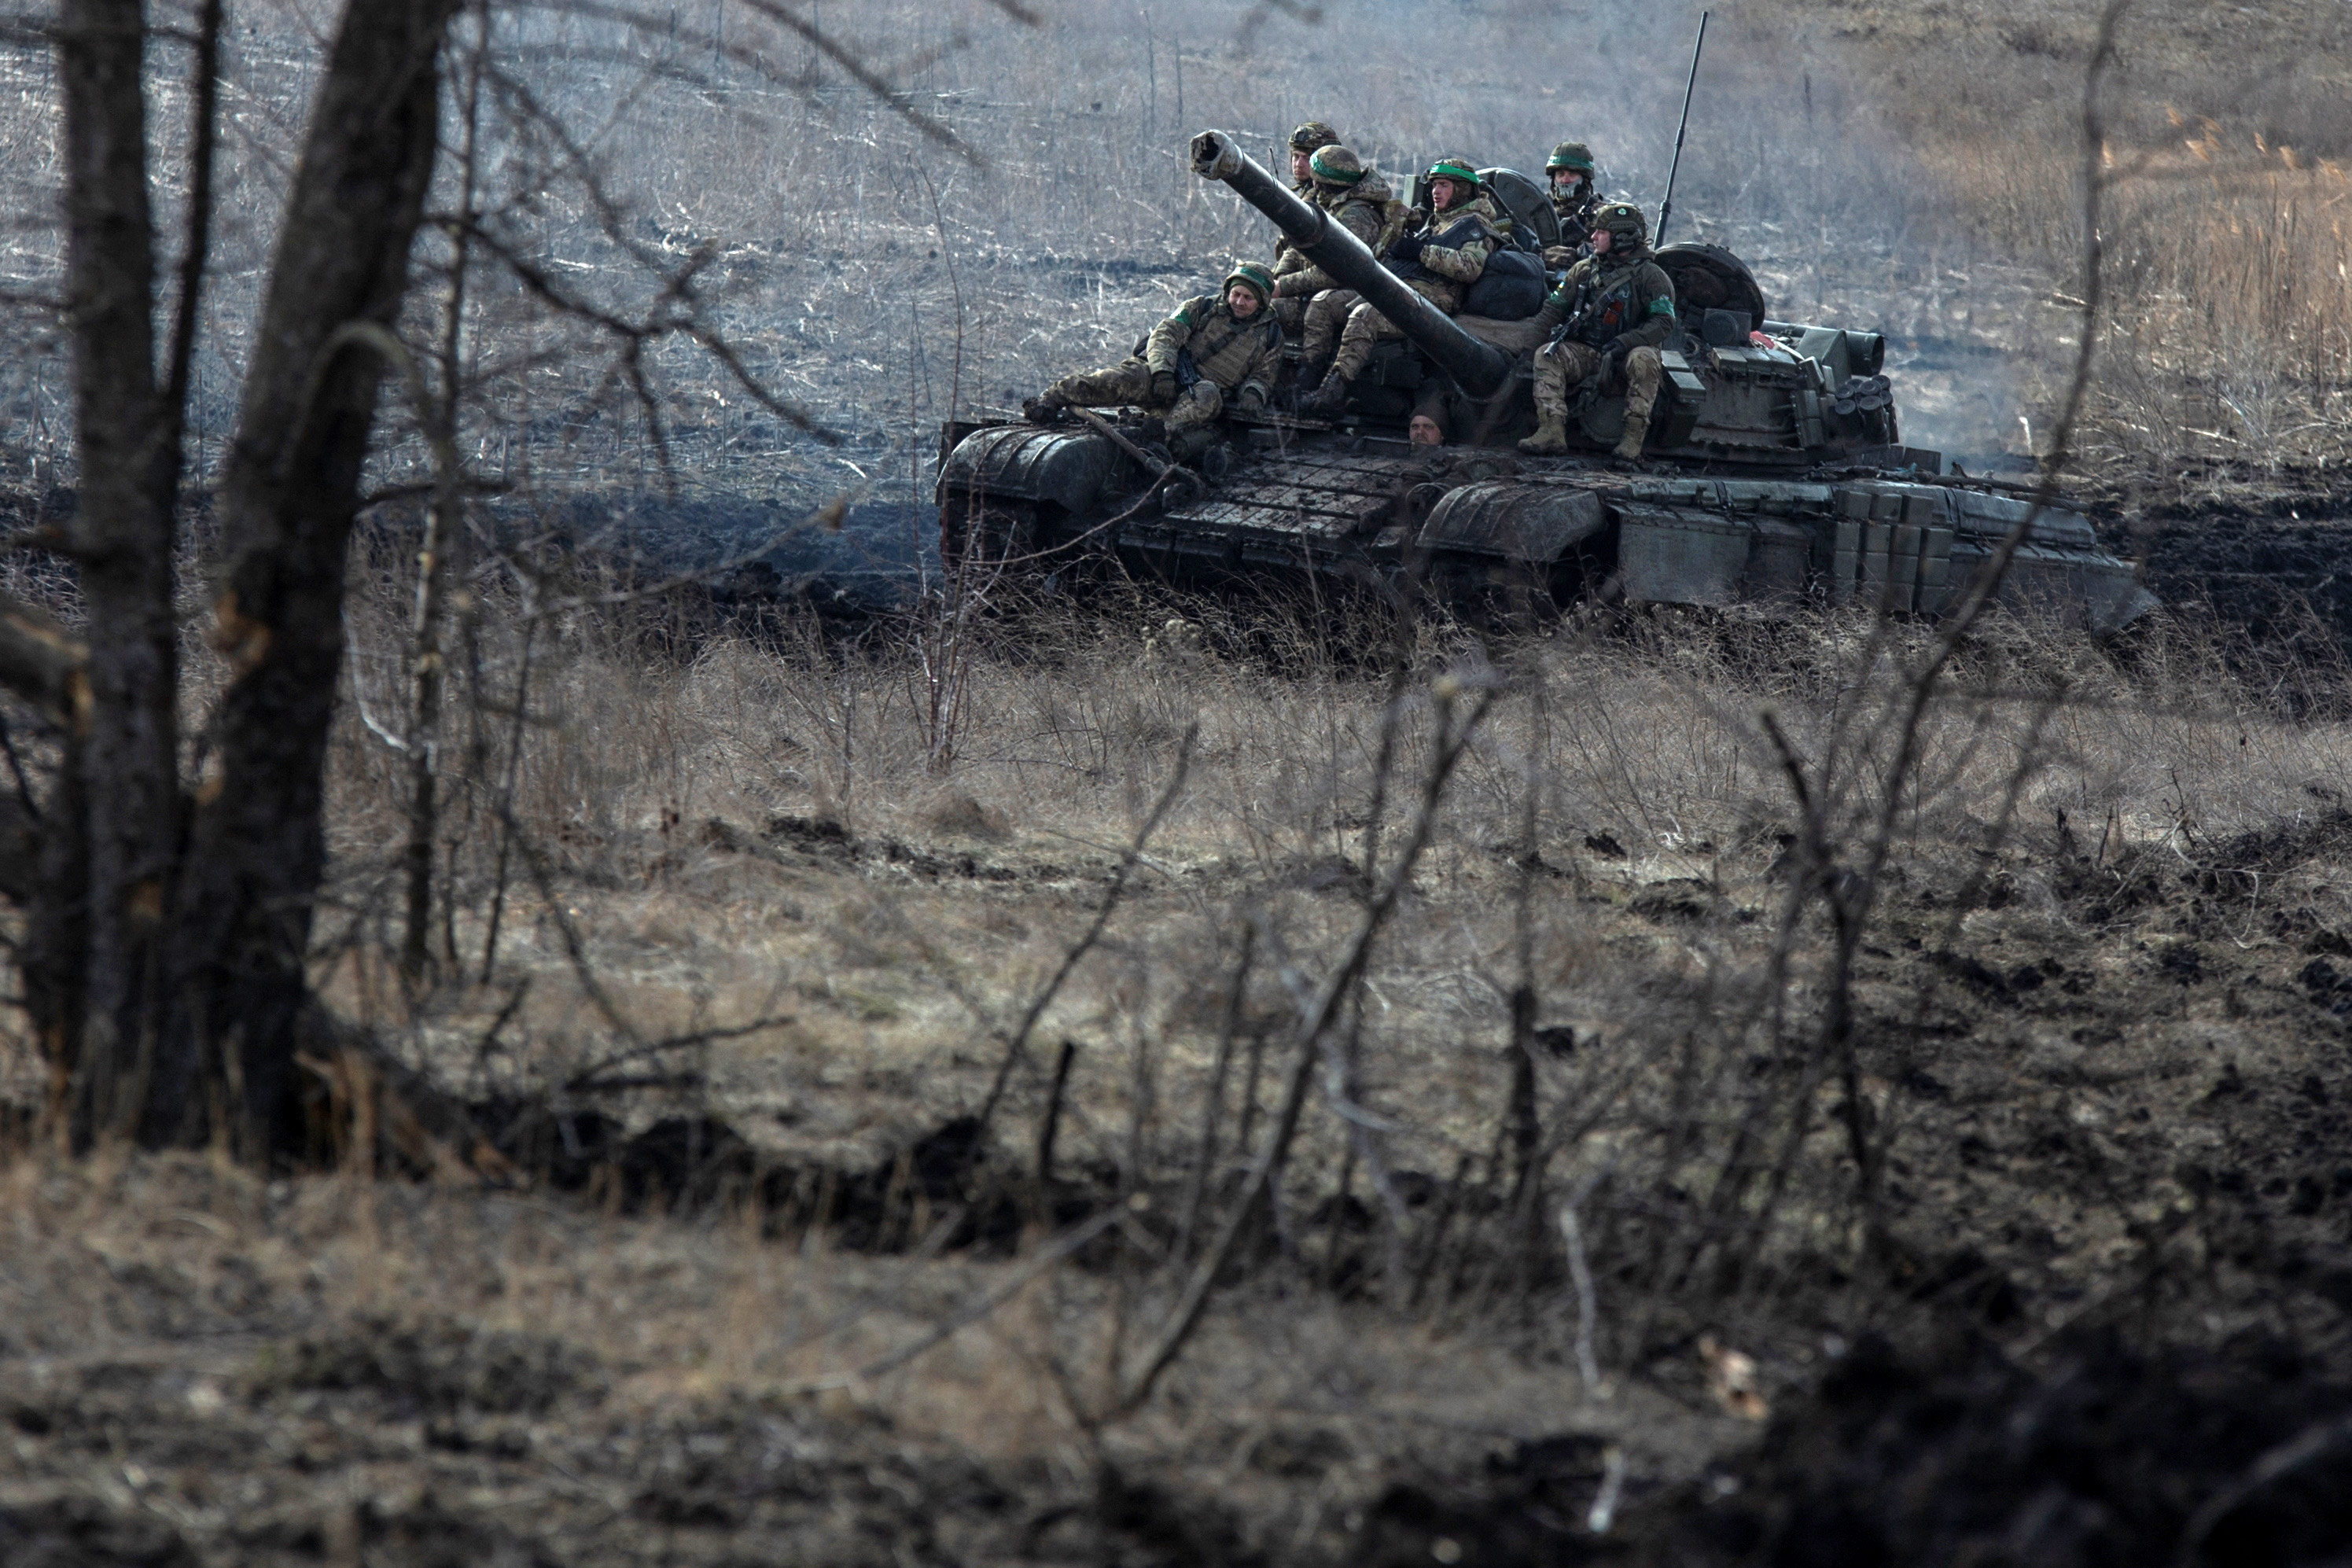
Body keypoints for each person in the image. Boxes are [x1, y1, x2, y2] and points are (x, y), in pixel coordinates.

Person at [1297, 156, 1504, 415]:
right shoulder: (1437, 222)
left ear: (1462, 190)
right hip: (1404, 289)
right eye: (1433, 186)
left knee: (1366, 316)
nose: (1435, 192)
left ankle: (1332, 392)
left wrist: (1421, 252)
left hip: (1434, 302)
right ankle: (1305, 385)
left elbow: (1470, 268)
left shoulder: (1477, 225)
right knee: (1324, 303)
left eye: (1443, 185)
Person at [1029, 262, 1283, 455]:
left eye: (1248, 298)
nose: (1239, 301)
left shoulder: (1270, 335)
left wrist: (1253, 394)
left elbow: (1264, 376)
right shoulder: (1202, 308)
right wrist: (1162, 373)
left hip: (1203, 392)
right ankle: (1050, 399)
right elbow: (1165, 335)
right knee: (1123, 378)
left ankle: (1157, 439)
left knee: (1206, 396)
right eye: (1235, 294)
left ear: (1261, 302)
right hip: (1169, 373)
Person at [1518, 202, 1677, 460]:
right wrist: (1527, 349)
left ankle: (1632, 437)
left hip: (1626, 357)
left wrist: (1627, 342)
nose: (1593, 238)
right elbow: (1553, 310)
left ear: (1623, 238)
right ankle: (1551, 431)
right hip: (1589, 352)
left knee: (1645, 359)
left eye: (1601, 232)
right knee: (1547, 356)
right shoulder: (1583, 270)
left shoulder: (1652, 277)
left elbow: (1664, 322)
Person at [1270, 143, 1404, 344]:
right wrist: (1279, 278)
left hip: (1344, 295)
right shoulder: (1330, 206)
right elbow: (1298, 248)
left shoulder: (1356, 217)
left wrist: (1285, 286)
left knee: (1265, 313)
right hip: (1313, 290)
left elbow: (1337, 272)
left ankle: (1309, 368)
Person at [1542, 142, 1601, 267]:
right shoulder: (1540, 209)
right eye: (1560, 174)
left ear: (1585, 178)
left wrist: (1578, 255)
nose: (1565, 180)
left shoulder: (1600, 212)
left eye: (1572, 174)